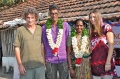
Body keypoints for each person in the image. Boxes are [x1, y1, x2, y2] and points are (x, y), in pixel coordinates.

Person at [13, 7, 45, 79]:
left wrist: (43, 61)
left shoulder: (40, 29)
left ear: (36, 18)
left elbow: (42, 45)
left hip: (39, 65)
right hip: (26, 67)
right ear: (25, 18)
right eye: (28, 17)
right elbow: (16, 48)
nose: (30, 20)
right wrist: (20, 64)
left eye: (32, 17)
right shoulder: (20, 30)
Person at [42, 4, 70, 79]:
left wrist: (68, 58)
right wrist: (44, 60)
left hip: (63, 59)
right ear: (49, 14)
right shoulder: (44, 28)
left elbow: (67, 42)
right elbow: (43, 44)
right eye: (52, 13)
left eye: (56, 13)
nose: (54, 15)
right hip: (50, 59)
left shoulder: (65, 25)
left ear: (59, 14)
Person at [89, 10, 116, 79]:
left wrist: (108, 62)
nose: (92, 19)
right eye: (90, 17)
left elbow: (111, 44)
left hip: (106, 63)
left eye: (94, 17)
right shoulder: (90, 31)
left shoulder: (106, 27)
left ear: (98, 17)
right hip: (94, 64)